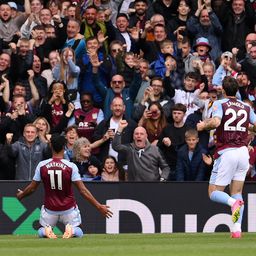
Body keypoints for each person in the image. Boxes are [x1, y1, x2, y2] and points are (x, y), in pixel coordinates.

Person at [16, 133, 112, 239]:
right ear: (64, 146)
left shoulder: (42, 165)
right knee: (79, 231)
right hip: (69, 209)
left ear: (51, 146)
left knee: (40, 231)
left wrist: (21, 195)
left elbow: (32, 188)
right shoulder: (71, 166)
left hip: (50, 209)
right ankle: (72, 230)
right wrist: (99, 206)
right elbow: (83, 191)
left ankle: (46, 231)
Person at [197, 76, 256, 239]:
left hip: (227, 152)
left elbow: (215, 123)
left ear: (222, 90)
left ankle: (232, 203)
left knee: (214, 193)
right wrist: (248, 129)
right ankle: (236, 229)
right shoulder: (246, 106)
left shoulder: (219, 104)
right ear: (237, 90)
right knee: (237, 192)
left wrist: (203, 125)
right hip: (244, 153)